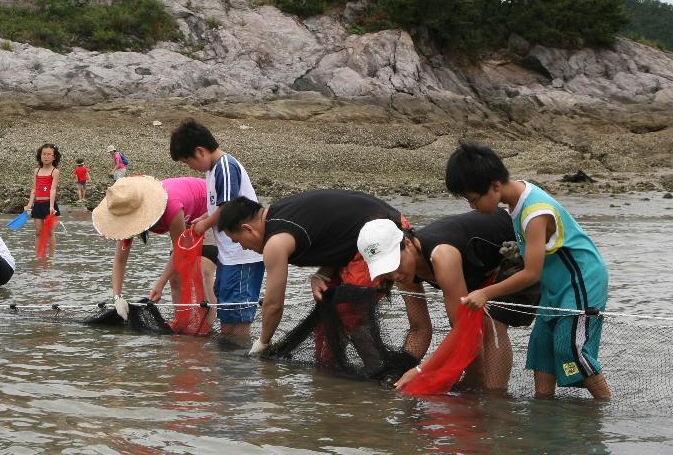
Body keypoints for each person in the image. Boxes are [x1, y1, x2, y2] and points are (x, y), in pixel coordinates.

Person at [446, 140, 611, 400]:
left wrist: (485, 293)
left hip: (581, 283)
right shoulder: (516, 201)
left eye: (473, 199)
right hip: (555, 287)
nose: (472, 207)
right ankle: (543, 410)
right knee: (541, 350)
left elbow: (531, 274)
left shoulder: (535, 212)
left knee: (569, 350)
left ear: (495, 186)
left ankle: (604, 408)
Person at [215, 189, 424, 358]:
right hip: (361, 240)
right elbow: (337, 233)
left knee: (349, 313)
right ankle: (333, 384)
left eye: (237, 240)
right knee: (326, 328)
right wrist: (322, 274)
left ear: (247, 229)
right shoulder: (280, 214)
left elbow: (273, 305)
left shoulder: (275, 242)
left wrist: (262, 344)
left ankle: (380, 378)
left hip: (385, 236)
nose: (242, 247)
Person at [373, 210, 520, 392]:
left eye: (395, 263)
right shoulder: (403, 275)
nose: (394, 274)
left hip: (517, 245)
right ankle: (476, 380)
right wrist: (401, 369)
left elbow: (464, 329)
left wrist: (420, 370)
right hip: (479, 270)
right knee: (464, 322)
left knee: (491, 323)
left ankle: (497, 400)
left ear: (408, 244)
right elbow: (421, 328)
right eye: (386, 270)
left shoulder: (442, 255)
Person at [169, 119, 261, 341]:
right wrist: (204, 217)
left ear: (200, 151)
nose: (190, 167)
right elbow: (219, 207)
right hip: (229, 258)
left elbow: (228, 206)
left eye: (187, 161)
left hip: (242, 256)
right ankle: (228, 366)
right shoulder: (212, 171)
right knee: (227, 315)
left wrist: (205, 224)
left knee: (237, 318)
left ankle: (236, 367)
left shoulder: (225, 166)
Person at [91, 175, 217, 316]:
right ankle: (182, 321)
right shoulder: (126, 211)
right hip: (185, 216)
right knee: (175, 278)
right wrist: (117, 297)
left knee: (203, 271)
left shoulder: (170, 206)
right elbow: (120, 260)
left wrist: (160, 284)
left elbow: (180, 249)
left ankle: (207, 326)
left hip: (208, 210)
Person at [24, 143, 61, 258]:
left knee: (49, 232)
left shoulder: (55, 171)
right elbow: (34, 189)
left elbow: (53, 189)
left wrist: (51, 206)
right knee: (38, 232)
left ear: (54, 157)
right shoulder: (37, 171)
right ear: (40, 155)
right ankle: (39, 256)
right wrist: (30, 204)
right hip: (38, 205)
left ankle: (51, 257)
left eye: (49, 154)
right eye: (44, 154)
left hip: (49, 204)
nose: (46, 156)